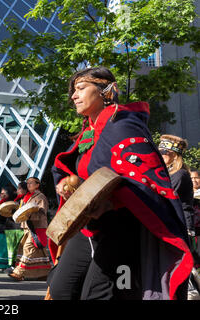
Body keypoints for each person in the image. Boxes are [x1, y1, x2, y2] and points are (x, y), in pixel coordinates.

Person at [47, 66, 193, 300]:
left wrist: (111, 203)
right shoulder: (88, 132)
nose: (74, 95)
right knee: (61, 288)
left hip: (121, 227)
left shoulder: (124, 125)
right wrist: (68, 183)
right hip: (88, 227)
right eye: (73, 90)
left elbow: (145, 182)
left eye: (81, 88)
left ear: (107, 90)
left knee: (102, 294)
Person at [8, 177, 51, 281]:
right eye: (27, 183)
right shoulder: (27, 197)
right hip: (27, 227)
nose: (28, 185)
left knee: (28, 248)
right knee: (34, 250)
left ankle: (19, 272)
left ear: (37, 185)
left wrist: (29, 216)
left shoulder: (40, 197)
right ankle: (44, 272)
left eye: (31, 183)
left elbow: (42, 213)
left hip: (37, 227)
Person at [0, 185, 16, 270]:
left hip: (6, 228)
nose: (1, 195)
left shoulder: (11, 204)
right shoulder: (2, 202)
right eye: (1, 193)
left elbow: (7, 216)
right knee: (0, 247)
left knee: (4, 248)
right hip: (0, 228)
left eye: (3, 194)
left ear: (8, 194)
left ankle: (3, 264)